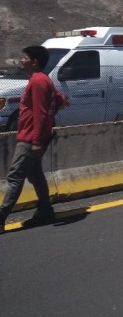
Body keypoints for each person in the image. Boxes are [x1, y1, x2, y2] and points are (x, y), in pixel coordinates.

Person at [0, 46, 66, 233]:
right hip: (34, 136)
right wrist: (62, 102)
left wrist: (36, 140)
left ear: (35, 62)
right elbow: (58, 99)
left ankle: (2, 215)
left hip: (30, 138)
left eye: (25, 57)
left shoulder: (38, 81)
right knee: (35, 175)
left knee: (15, 176)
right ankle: (45, 211)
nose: (21, 60)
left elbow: (41, 113)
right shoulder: (43, 80)